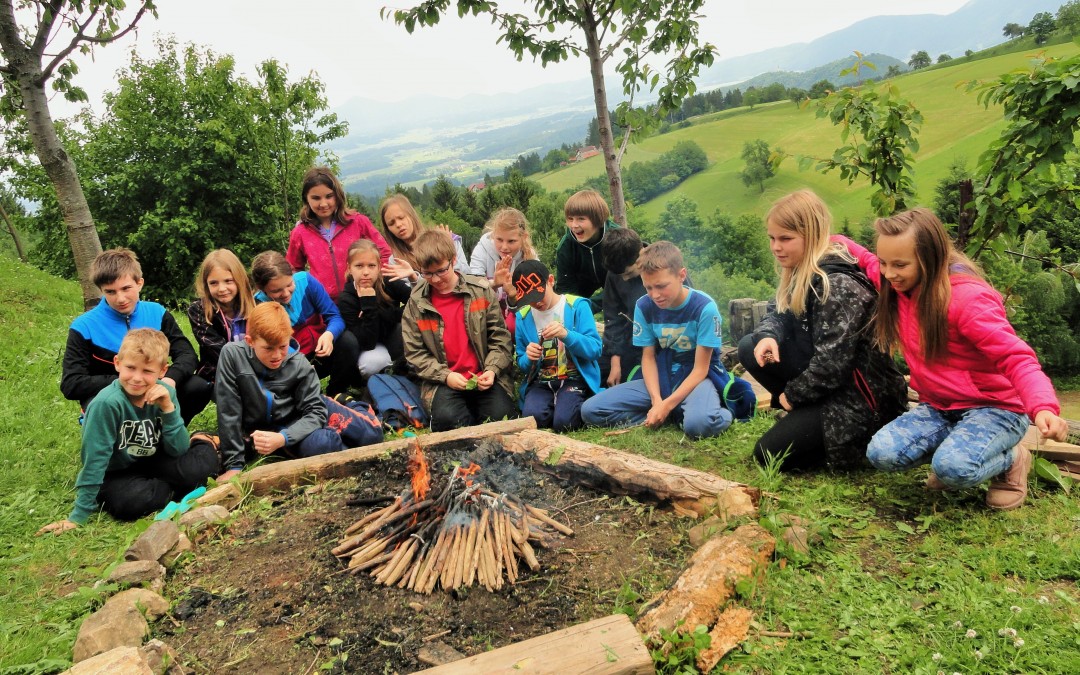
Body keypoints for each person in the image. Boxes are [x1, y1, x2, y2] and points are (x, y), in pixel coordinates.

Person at [838, 208, 1069, 510]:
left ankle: (1013, 461)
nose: (888, 273)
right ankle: (956, 450)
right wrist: (827, 239)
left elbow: (1016, 357)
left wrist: (1043, 407)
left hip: (996, 408)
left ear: (929, 259)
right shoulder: (896, 285)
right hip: (940, 406)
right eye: (885, 262)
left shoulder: (967, 301)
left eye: (899, 264)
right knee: (881, 453)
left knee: (954, 468)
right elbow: (865, 258)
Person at [738, 190, 906, 471]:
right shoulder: (800, 271)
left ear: (812, 235)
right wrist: (769, 336)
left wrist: (790, 396)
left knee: (767, 455)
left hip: (860, 399)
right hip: (829, 384)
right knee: (749, 347)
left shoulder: (837, 285)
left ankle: (855, 443)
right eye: (772, 238)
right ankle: (807, 419)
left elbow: (831, 365)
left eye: (785, 239)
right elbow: (777, 311)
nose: (775, 247)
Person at [38, 329, 219, 534]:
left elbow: (178, 449)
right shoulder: (106, 404)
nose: (137, 378)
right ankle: (173, 488)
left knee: (198, 470)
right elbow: (95, 459)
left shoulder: (165, 392)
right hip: (118, 471)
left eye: (147, 371)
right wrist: (78, 516)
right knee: (130, 504)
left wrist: (168, 409)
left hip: (156, 458)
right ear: (117, 363)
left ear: (162, 371)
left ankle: (204, 440)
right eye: (130, 368)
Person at [580, 241, 735, 438]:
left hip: (696, 376)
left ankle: (719, 410)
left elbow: (701, 369)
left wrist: (666, 404)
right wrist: (656, 401)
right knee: (591, 410)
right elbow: (648, 357)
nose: (655, 295)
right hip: (662, 372)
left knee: (698, 426)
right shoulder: (644, 306)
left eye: (661, 286)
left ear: (681, 275)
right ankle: (669, 414)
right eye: (648, 288)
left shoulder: (704, 307)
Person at [214, 303, 383, 482]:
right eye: (268, 348)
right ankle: (333, 437)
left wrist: (282, 438)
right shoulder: (232, 355)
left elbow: (316, 412)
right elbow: (228, 409)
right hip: (281, 426)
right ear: (250, 341)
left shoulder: (300, 364)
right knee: (323, 445)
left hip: (310, 410)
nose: (277, 355)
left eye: (282, 346)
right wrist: (234, 465)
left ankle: (351, 404)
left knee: (371, 436)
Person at [61, 248, 205, 425]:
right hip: (110, 397)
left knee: (198, 386)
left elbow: (187, 354)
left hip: (154, 386)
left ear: (140, 283)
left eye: (126, 288)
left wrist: (168, 380)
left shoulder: (157, 313)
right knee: (101, 405)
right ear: (101, 290)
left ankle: (168, 432)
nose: (120, 299)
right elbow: (71, 384)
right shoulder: (83, 326)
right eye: (110, 292)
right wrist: (128, 382)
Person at [401, 230, 517, 431]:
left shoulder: (480, 290)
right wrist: (446, 376)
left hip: (484, 376)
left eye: (441, 271)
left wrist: (492, 369)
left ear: (453, 260)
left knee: (503, 419)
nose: (435, 279)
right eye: (427, 273)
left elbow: (500, 338)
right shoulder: (416, 302)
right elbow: (415, 354)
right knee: (448, 422)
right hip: (443, 380)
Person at [251, 250, 358, 397]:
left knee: (348, 341)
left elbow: (334, 316)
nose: (286, 293)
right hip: (291, 361)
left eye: (289, 284)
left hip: (321, 351)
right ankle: (312, 399)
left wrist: (329, 334)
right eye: (277, 291)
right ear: (263, 290)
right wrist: (297, 363)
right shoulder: (259, 305)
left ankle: (336, 392)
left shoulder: (306, 282)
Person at [513, 260, 602, 431]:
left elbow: (595, 349)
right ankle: (555, 404)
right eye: (529, 299)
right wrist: (528, 357)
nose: (536, 303)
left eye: (539, 296)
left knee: (565, 423)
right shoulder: (523, 317)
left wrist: (566, 335)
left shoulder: (577, 306)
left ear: (551, 281)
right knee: (534, 418)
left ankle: (569, 404)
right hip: (542, 381)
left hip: (573, 379)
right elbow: (522, 364)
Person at [286, 167, 391, 301]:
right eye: (316, 198)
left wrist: (374, 285)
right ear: (306, 199)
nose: (323, 203)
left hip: (364, 299)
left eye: (329, 196)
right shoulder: (300, 232)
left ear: (338, 195)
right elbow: (293, 270)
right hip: (324, 307)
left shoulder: (358, 222)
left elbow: (385, 253)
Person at [336, 239, 412, 381]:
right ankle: (369, 384)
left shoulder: (389, 281)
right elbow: (367, 343)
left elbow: (416, 305)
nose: (366, 272)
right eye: (359, 266)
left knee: (405, 327)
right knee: (373, 363)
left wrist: (381, 313)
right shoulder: (346, 298)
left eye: (371, 266)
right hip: (369, 346)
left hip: (392, 335)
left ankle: (405, 373)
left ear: (379, 267)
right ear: (349, 268)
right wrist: (368, 303)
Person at [186, 249, 257, 394]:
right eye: (214, 283)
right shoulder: (199, 310)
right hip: (218, 374)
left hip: (259, 371)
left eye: (228, 281)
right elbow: (219, 351)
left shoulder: (257, 305)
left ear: (239, 279)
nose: (222, 289)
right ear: (206, 285)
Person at [470, 207, 538, 330]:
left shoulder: (530, 257)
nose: (504, 247)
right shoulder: (482, 250)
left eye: (511, 241)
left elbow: (535, 297)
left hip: (516, 308)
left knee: (513, 326)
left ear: (524, 237)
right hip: (486, 308)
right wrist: (495, 284)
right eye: (499, 240)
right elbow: (473, 287)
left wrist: (513, 295)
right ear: (493, 234)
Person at [379, 193, 469, 285]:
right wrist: (413, 278)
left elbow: (466, 275)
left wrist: (448, 249)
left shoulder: (444, 238)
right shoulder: (395, 261)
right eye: (391, 223)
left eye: (401, 218)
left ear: (411, 215)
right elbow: (409, 295)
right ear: (388, 230)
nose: (398, 224)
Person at [554, 189, 619, 311]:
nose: (574, 225)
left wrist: (590, 306)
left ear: (598, 219)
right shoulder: (566, 247)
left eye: (581, 219)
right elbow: (566, 290)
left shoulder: (617, 240)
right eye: (570, 219)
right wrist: (579, 308)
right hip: (581, 287)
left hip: (616, 288)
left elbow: (622, 285)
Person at [600, 227, 647, 386]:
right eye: (620, 275)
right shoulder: (616, 270)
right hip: (630, 342)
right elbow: (613, 319)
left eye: (628, 273)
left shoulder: (664, 267)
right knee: (596, 368)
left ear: (641, 254)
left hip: (661, 344)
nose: (624, 279)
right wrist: (615, 362)